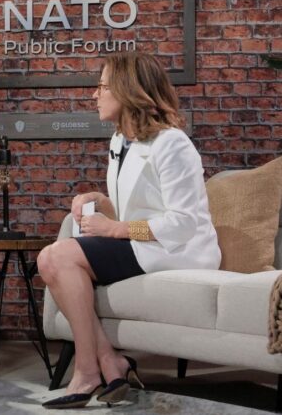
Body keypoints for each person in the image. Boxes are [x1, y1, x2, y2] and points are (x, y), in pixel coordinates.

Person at [38, 52, 221, 409]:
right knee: (52, 260)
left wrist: (115, 229)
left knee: (56, 257)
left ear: (127, 90)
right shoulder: (120, 141)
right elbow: (138, 207)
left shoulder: (172, 143)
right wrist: (99, 201)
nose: (95, 94)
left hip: (178, 249)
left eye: (102, 86)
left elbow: (183, 222)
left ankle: (88, 369)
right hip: (143, 244)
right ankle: (110, 362)